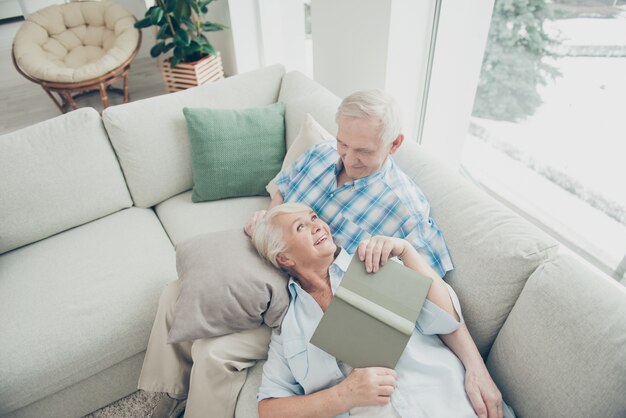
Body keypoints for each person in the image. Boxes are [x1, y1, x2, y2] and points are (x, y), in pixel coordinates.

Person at [140, 89, 503, 418]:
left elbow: (431, 294)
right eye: (344, 143)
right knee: (177, 293)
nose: (348, 157)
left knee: (215, 353)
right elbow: (282, 195)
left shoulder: (405, 210)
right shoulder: (321, 154)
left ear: (394, 145)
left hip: (313, 295)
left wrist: (476, 366)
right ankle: (167, 394)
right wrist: (269, 223)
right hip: (279, 260)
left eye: (363, 151)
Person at [252, 203, 515, 418]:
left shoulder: (374, 262)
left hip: (449, 403)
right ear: (284, 258)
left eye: (314, 217)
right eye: (301, 227)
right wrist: (344, 395)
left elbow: (446, 319)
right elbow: (269, 409)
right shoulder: (290, 328)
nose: (318, 225)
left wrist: (407, 251)